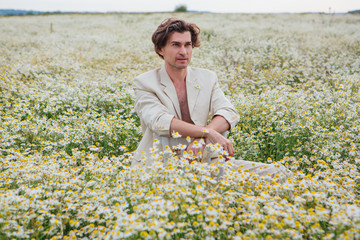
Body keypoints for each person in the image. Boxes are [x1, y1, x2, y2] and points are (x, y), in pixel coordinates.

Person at [132, 18, 290, 180]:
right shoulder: (145, 82)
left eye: (188, 45)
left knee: (279, 174)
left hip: (206, 161)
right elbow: (160, 121)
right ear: (160, 49)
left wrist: (201, 139)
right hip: (162, 167)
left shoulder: (207, 77)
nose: (183, 52)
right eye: (175, 45)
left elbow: (228, 112)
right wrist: (208, 132)